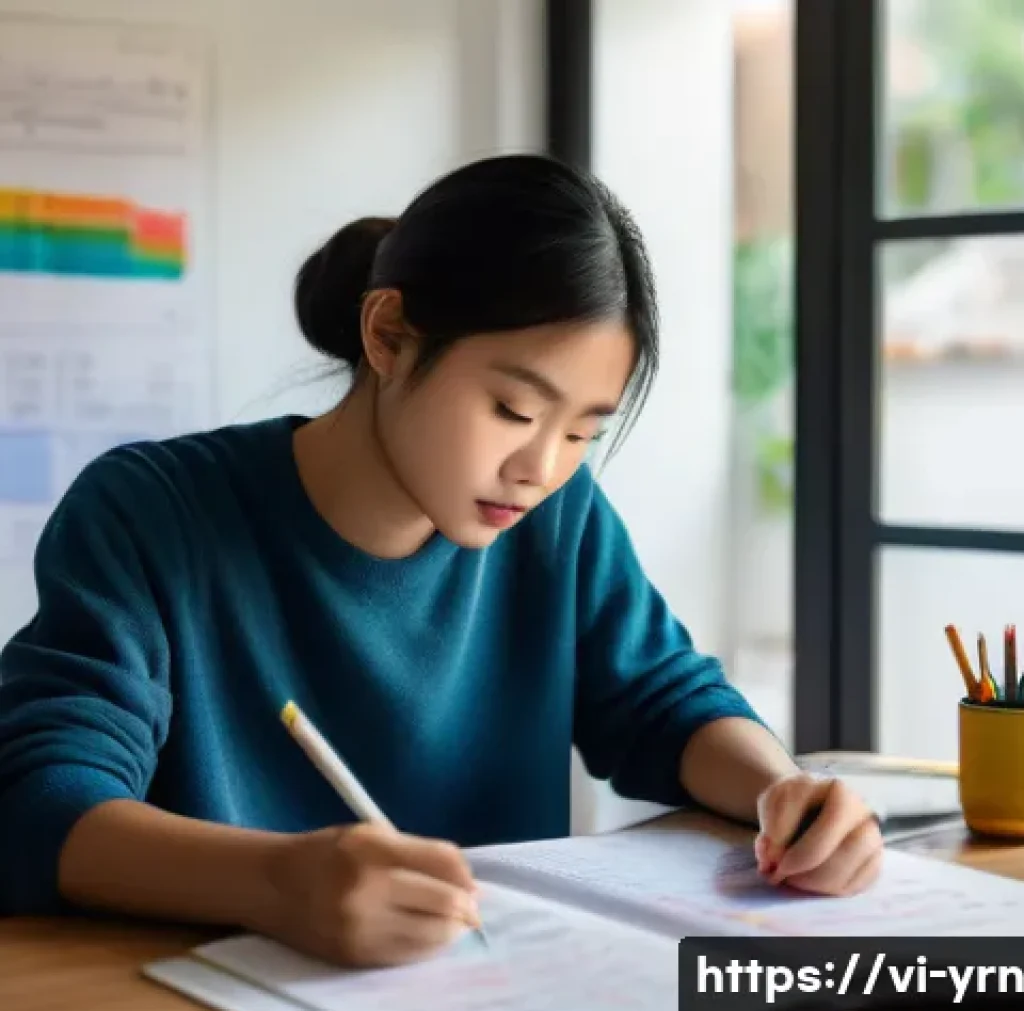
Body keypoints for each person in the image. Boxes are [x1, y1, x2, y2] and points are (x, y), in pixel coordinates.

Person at [0, 154, 881, 968]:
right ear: (388, 336)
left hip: (489, 988)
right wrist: (277, 884)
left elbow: (663, 704)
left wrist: (786, 790)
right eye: (511, 407)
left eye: (582, 432)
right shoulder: (152, 513)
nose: (539, 468)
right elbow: (39, 802)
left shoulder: (553, 517)